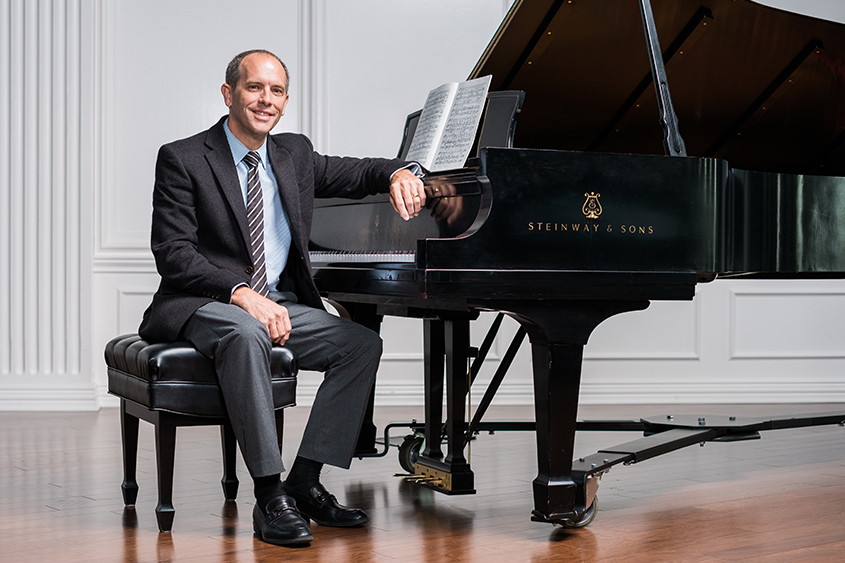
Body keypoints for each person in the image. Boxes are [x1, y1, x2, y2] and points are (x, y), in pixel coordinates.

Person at [138, 49, 426, 546]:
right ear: (229, 94)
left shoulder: (294, 156)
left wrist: (405, 171)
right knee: (247, 330)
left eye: (275, 91)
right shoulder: (183, 158)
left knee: (360, 346)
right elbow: (174, 254)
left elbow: (359, 172)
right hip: (204, 302)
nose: (264, 100)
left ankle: (305, 482)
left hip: (279, 301)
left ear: (285, 101)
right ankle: (270, 495)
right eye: (254, 88)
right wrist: (241, 293)